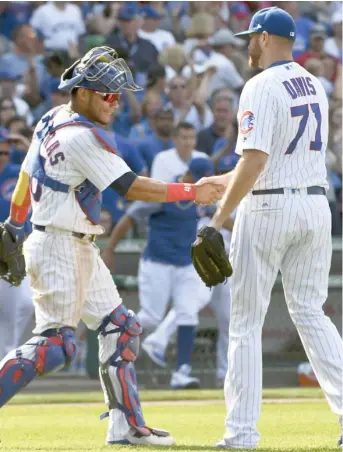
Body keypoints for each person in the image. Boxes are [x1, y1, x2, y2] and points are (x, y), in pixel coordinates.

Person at [0, 47, 224, 447]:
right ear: (83, 92)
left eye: (119, 94)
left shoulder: (52, 119)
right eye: (108, 94)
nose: (116, 101)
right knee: (56, 345)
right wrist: (192, 190)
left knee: (121, 328)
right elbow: (132, 186)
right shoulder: (81, 136)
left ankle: (127, 427)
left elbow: (23, 176)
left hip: (71, 242)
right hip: (58, 245)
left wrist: (14, 225)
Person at [191, 7, 343, 449]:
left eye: (250, 37)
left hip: (270, 209)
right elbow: (273, 159)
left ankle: (240, 434)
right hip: (315, 205)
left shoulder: (259, 85)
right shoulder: (315, 83)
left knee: (244, 323)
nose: (247, 45)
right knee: (311, 313)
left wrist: (217, 221)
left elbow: (256, 161)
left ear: (264, 37)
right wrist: (221, 183)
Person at [103, 149, 214, 390]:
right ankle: (114, 341)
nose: (200, 182)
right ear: (186, 174)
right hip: (157, 263)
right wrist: (110, 248)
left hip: (186, 264)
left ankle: (182, 372)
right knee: (151, 318)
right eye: (197, 177)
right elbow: (128, 219)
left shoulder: (202, 195)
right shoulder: (165, 192)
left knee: (188, 313)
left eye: (204, 178)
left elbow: (217, 215)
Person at [0, 127, 33, 360]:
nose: (2, 156)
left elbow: (42, 165)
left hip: (21, 248)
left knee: (28, 305)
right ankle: (7, 361)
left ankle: (7, 357)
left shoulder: (16, 172)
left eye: (4, 151)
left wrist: (22, 140)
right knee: (8, 315)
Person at [136, 105, 174, 172]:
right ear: (155, 122)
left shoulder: (178, 143)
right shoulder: (144, 144)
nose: (166, 123)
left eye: (169, 119)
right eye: (162, 119)